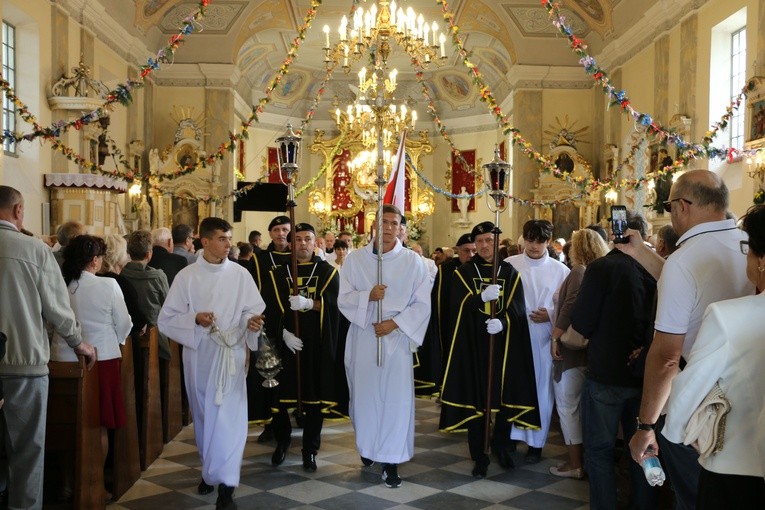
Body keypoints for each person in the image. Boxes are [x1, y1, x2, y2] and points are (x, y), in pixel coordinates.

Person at [622, 170, 753, 510]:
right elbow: (690, 283)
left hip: (705, 404)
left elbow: (666, 357)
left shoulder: (684, 260)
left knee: (694, 496)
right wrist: (641, 253)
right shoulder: (745, 244)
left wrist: (646, 425)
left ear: (682, 206)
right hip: (751, 397)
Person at [660, 204, 765, 507]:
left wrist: (680, 431)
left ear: (761, 260)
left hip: (734, 468)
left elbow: (686, 393)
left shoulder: (727, 317)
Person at [158, 217, 266, 509]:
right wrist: (194, 318)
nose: (228, 244)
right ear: (204, 242)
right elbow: (166, 319)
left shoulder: (241, 274)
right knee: (206, 415)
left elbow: (250, 310)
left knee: (230, 417)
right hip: (201, 354)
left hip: (231, 354)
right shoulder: (187, 277)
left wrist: (251, 322)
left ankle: (227, 484)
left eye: (229, 238)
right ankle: (210, 470)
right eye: (221, 238)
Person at [0, 186, 96, 510]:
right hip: (23, 363)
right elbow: (57, 308)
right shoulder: (33, 250)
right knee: (27, 452)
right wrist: (78, 342)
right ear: (18, 211)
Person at [572, 211, 660, 509]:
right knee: (643, 447)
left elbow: (582, 323)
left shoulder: (601, 268)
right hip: (647, 375)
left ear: (615, 232)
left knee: (598, 451)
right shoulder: (659, 270)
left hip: (607, 373)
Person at [339, 205, 431, 488]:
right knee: (365, 397)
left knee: (394, 400)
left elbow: (422, 303)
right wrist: (369, 295)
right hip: (364, 335)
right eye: (384, 222)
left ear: (401, 227)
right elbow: (343, 298)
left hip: (396, 337)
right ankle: (368, 448)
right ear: (374, 226)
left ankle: (391, 460)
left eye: (394, 223)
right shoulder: (355, 260)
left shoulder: (413, 262)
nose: (389, 227)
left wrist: (395, 324)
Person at [440, 221, 540, 478]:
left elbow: (518, 310)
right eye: (480, 241)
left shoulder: (509, 273)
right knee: (478, 398)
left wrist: (504, 322)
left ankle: (503, 445)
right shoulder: (463, 273)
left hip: (503, 347)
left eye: (488, 240)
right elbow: (455, 308)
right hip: (473, 346)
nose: (484, 246)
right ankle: (479, 453)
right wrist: (479, 299)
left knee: (504, 397)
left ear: (496, 243)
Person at [52, 234, 133, 500]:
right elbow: (123, 323)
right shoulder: (108, 285)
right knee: (99, 424)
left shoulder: (60, 284)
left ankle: (66, 484)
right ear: (96, 260)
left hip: (63, 360)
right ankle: (95, 483)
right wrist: (116, 341)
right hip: (103, 359)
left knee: (66, 424)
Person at [263, 223, 344, 472]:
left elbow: (335, 308)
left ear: (315, 241)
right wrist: (282, 332)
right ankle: (283, 440)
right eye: (297, 239)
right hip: (285, 345)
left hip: (315, 346)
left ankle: (310, 449)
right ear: (290, 242)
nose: (303, 244)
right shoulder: (279, 273)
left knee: (314, 399)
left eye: (307, 239)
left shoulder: (328, 272)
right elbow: (269, 308)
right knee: (278, 396)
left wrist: (310, 303)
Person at [507, 219, 570, 463]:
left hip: (544, 338)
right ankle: (511, 437)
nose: (535, 246)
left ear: (548, 241)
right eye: (531, 240)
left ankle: (536, 443)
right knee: (514, 385)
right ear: (523, 239)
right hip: (514, 336)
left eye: (541, 241)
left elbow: (567, 307)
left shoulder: (560, 270)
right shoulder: (509, 265)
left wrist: (550, 315)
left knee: (542, 391)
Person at [548, 229, 609, 479]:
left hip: (572, 352)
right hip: (593, 352)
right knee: (581, 409)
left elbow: (571, 303)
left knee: (567, 407)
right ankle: (582, 461)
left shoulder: (579, 271)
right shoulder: (603, 271)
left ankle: (575, 463)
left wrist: (555, 335)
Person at [247, 215, 292, 442]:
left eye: (285, 229)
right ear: (270, 234)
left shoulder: (299, 257)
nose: (281, 234)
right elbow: (253, 290)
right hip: (269, 323)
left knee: (292, 372)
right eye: (276, 230)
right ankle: (271, 421)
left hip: (294, 323)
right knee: (268, 371)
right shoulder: (260, 259)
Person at [122, 230, 171, 361]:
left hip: (127, 335)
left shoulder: (121, 275)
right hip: (156, 336)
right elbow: (168, 305)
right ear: (149, 254)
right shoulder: (158, 277)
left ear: (129, 253)